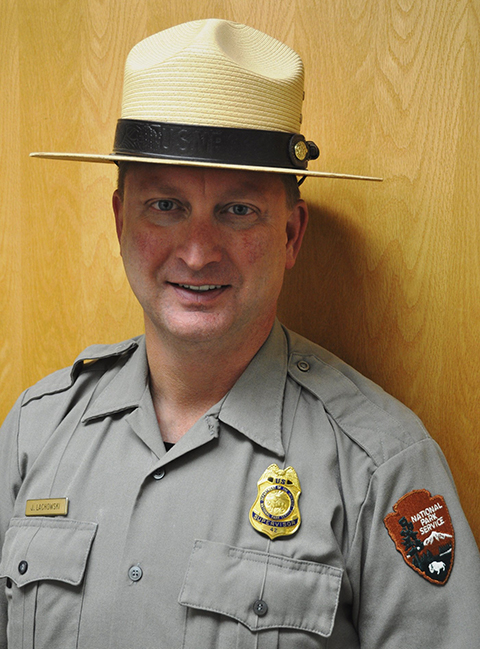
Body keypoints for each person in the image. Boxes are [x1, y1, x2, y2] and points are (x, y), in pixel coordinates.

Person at [0, 18, 479, 649]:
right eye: (165, 205)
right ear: (121, 219)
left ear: (291, 234)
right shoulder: (36, 433)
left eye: (238, 210)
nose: (197, 254)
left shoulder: (379, 468)